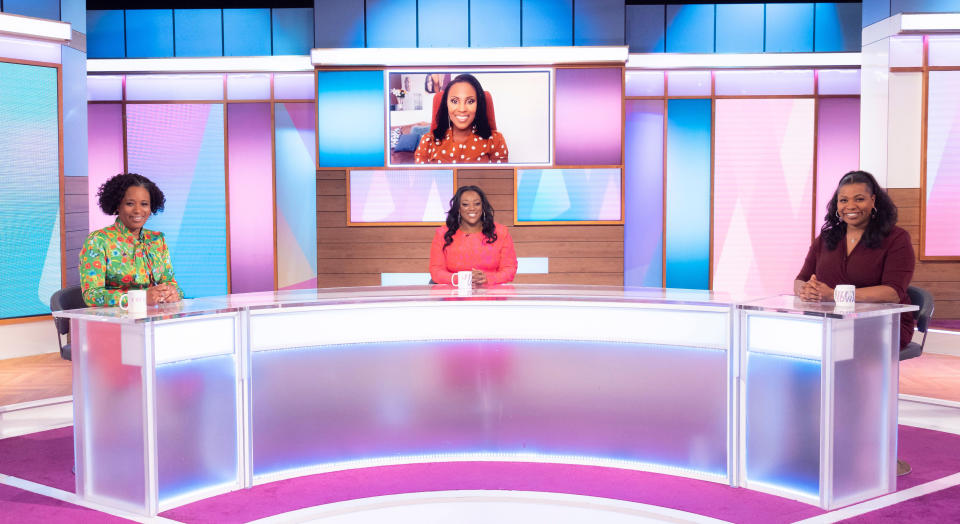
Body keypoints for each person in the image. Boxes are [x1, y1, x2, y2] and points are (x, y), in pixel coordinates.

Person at [795, 171, 916, 348]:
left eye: (859, 199)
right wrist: (805, 290)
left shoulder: (896, 238)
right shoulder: (826, 238)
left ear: (873, 200)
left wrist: (834, 294)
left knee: (831, 345)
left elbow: (893, 293)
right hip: (833, 321)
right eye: (843, 200)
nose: (850, 206)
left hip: (883, 323)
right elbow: (800, 279)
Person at [79, 173, 183, 307]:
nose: (138, 210)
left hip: (153, 319)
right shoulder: (98, 241)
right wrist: (140, 298)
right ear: (118, 205)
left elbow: (172, 285)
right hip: (115, 322)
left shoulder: (157, 240)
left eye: (144, 204)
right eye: (130, 204)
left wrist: (174, 293)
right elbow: (91, 296)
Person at [429, 185, 517, 287]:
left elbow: (509, 269)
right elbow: (436, 271)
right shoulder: (443, 234)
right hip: (452, 296)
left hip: (491, 295)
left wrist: (488, 279)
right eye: (465, 204)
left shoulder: (501, 232)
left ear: (483, 207)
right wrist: (462, 279)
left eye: (477, 204)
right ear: (458, 208)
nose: (472, 208)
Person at [414, 74, 508, 164]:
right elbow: (420, 180)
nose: (462, 109)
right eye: (454, 101)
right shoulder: (427, 141)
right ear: (446, 104)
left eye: (470, 101)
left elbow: (500, 180)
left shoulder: (496, 141)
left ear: (478, 105)